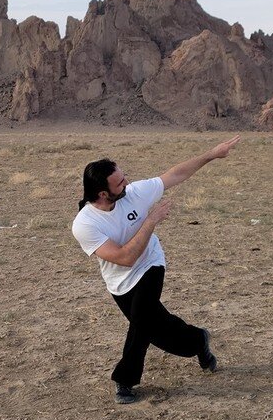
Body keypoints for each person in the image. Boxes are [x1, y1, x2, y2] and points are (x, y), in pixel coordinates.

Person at [71, 136, 241, 404]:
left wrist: (212, 154)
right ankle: (198, 341)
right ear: (103, 194)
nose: (126, 182)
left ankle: (125, 379)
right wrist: (151, 220)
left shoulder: (135, 193)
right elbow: (124, 258)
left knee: (141, 320)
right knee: (159, 332)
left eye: (123, 176)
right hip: (120, 280)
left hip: (150, 264)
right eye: (120, 182)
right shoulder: (85, 224)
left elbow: (175, 174)